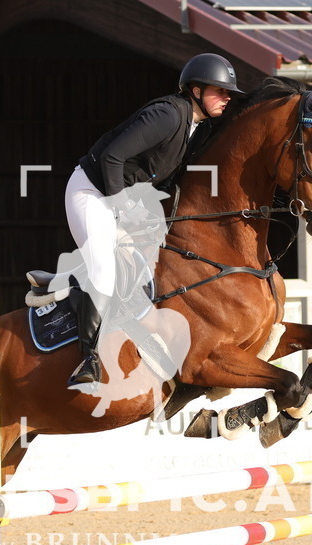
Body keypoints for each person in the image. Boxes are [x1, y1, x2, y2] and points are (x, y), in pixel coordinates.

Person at [64, 53, 243, 388]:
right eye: (220, 90)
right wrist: (121, 209)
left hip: (124, 195)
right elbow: (113, 157)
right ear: (195, 91)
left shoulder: (198, 128)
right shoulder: (167, 115)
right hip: (92, 191)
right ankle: (88, 360)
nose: (227, 97)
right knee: (104, 269)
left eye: (227, 91)